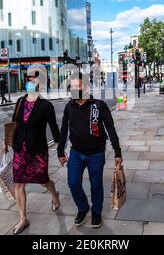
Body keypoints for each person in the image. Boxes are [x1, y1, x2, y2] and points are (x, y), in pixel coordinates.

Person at [58, 73, 123, 229]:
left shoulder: (99, 105)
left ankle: (96, 212)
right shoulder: (69, 107)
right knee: (73, 183)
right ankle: (83, 207)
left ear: (86, 87)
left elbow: (110, 129)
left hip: (96, 153)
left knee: (96, 186)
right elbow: (64, 129)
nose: (74, 89)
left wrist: (117, 152)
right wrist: (60, 151)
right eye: (72, 86)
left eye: (77, 86)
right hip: (76, 153)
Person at [2, 70, 61, 235]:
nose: (30, 82)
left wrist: (61, 148)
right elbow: (14, 123)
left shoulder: (46, 105)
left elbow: (54, 127)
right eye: (28, 80)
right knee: (19, 184)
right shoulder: (20, 101)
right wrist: (5, 142)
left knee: (43, 179)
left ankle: (54, 193)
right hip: (20, 149)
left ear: (40, 84)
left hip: (38, 150)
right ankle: (23, 219)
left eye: (33, 80)